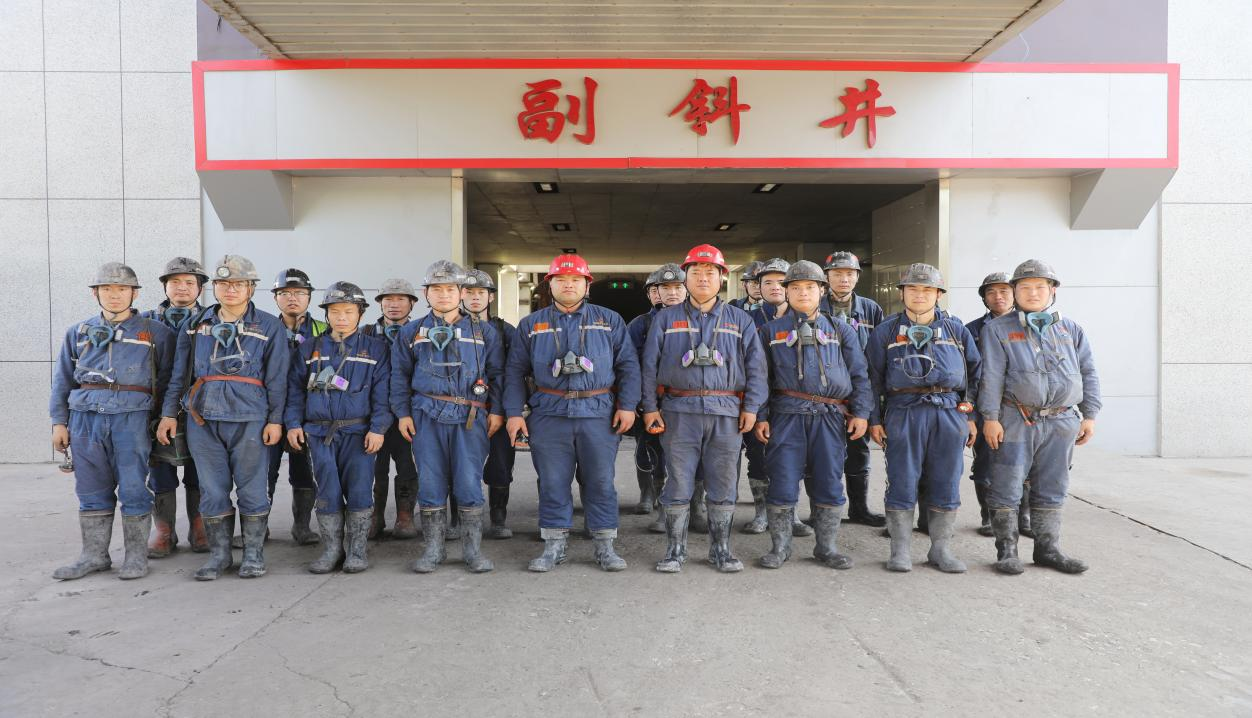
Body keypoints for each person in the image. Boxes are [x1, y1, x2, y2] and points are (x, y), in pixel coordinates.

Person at [157, 255, 289, 580]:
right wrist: (168, 414)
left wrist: (275, 420)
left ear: (251, 288)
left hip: (250, 419)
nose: (230, 289)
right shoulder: (195, 325)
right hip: (203, 420)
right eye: (223, 284)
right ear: (214, 287)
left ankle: (254, 554)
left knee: (252, 488)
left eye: (238, 284)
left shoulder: (269, 326)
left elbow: (278, 378)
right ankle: (219, 555)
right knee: (212, 489)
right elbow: (179, 375)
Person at [506, 254, 641, 572]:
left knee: (601, 481)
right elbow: (514, 371)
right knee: (552, 481)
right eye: (561, 280)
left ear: (587, 285)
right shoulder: (531, 325)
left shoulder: (609, 320)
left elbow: (628, 366)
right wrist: (513, 412)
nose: (568, 285)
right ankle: (554, 546)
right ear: (549, 285)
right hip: (548, 414)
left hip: (598, 413)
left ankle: (605, 546)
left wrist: (627, 406)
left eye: (576, 280)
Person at [640, 244, 769, 573]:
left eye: (710, 272)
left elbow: (756, 368)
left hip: (726, 411)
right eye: (695, 272)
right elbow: (649, 367)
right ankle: (675, 551)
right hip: (678, 411)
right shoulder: (666, 319)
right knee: (678, 482)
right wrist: (650, 408)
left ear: (722, 278)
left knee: (723, 483)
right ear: (686, 278)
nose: (702, 278)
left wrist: (752, 408)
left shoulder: (740, 320)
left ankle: (721, 550)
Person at [50, 263, 174, 581]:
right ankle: (94, 556)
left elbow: (169, 381)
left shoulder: (156, 333)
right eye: (106, 289)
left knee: (134, 488)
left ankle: (136, 557)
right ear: (96, 293)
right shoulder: (77, 333)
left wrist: (164, 417)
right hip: (84, 420)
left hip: (131, 419)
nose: (114, 295)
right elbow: (62, 380)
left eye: (122, 289)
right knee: (90, 489)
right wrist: (58, 422)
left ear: (134, 294)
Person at [979, 259, 1100, 575]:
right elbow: (991, 375)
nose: (1033, 293)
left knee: (1053, 484)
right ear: (1015, 291)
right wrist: (990, 417)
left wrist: (1089, 414)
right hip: (1016, 418)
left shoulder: (1071, 330)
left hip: (1062, 421)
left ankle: (1048, 549)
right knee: (1007, 482)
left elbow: (1088, 371)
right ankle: (1007, 551)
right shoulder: (997, 329)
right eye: (1025, 287)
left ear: (1052, 291)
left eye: (1039, 287)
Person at [753, 261, 872, 569]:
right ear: (786, 292)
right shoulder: (769, 331)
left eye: (809, 287)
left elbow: (859, 374)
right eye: (795, 287)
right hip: (786, 415)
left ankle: (826, 547)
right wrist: (761, 416)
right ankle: (780, 548)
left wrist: (860, 412)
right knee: (782, 479)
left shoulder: (841, 330)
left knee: (829, 480)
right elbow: (760, 378)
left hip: (830, 416)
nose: (802, 293)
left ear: (822, 291)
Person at [391, 261, 505, 574]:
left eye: (450, 289)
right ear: (425, 294)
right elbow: (399, 376)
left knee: (468, 482)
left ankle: (472, 552)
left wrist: (497, 411)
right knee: (430, 482)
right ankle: (433, 550)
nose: (444, 295)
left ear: (461, 293)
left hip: (470, 416)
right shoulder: (411, 332)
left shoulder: (484, 332)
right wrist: (402, 413)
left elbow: (498, 374)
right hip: (426, 415)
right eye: (437, 289)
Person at [866, 263, 980, 574]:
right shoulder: (885, 331)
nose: (919, 295)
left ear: (938, 294)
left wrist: (970, 415)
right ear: (902, 293)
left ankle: (940, 550)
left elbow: (975, 374)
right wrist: (875, 420)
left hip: (948, 412)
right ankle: (900, 550)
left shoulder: (956, 331)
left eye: (927, 290)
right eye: (913, 289)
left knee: (946, 479)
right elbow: (872, 379)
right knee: (902, 479)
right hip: (903, 411)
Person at [286, 282, 391, 574]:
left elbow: (383, 394)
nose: (341, 317)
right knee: (327, 490)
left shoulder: (377, 349)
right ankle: (332, 550)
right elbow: (294, 391)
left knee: (360, 489)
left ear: (360, 314)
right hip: (319, 434)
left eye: (348, 311)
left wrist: (378, 428)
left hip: (360, 433)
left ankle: (357, 551)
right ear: (327, 314)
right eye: (335, 311)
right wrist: (293, 424)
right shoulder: (309, 349)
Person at [143, 257, 209, 557]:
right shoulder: (146, 323)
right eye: (175, 282)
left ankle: (199, 527)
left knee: (201, 468)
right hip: (156, 408)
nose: (182, 288)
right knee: (160, 469)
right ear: (164, 286)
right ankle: (164, 531)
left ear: (200, 288)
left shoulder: (211, 320)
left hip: (199, 407)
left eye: (189, 282)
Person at [741, 258, 811, 537]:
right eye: (767, 282)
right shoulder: (744, 317)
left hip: (792, 400)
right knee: (757, 456)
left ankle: (789, 513)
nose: (774, 287)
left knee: (792, 459)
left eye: (780, 282)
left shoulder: (807, 316)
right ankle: (761, 512)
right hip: (755, 398)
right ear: (757, 286)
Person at [820, 251, 887, 528]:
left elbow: (880, 352)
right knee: (822, 452)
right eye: (837, 273)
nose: (844, 279)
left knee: (858, 450)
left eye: (849, 273)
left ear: (858, 277)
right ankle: (821, 510)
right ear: (827, 277)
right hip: (825, 392)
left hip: (859, 390)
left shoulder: (871, 309)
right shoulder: (814, 305)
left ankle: (859, 509)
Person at [265, 268, 326, 546]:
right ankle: (259, 527)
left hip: (307, 412)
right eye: (285, 293)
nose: (292, 298)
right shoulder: (266, 328)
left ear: (309, 297)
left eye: (300, 293)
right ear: (275, 297)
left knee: (304, 471)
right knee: (265, 471)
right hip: (269, 412)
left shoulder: (323, 330)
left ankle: (301, 526)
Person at [626, 263, 687, 533]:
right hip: (650, 399)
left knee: (681, 455)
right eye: (663, 288)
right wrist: (636, 401)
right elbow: (629, 365)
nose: (671, 293)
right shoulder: (640, 324)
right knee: (649, 450)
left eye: (678, 287)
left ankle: (685, 504)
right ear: (653, 293)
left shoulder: (697, 319)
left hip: (683, 399)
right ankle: (649, 493)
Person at [360, 277, 421, 540]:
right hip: (373, 413)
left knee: (407, 465)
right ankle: (375, 516)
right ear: (380, 304)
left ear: (412, 304)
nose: (394, 304)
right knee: (375, 466)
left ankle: (405, 516)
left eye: (400, 299)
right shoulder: (365, 333)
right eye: (388, 299)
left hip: (407, 413)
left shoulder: (420, 332)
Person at [462, 268, 520, 540]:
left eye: (481, 292)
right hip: (462, 409)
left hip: (498, 408)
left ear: (491, 297)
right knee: (460, 465)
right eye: (469, 292)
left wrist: (502, 411)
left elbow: (514, 373)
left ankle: (498, 518)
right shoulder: (452, 329)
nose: (475, 298)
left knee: (500, 464)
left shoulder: (506, 331)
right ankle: (459, 518)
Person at [964, 271, 1021, 537]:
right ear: (984, 298)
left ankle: (1023, 518)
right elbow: (966, 375)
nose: (998, 296)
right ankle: (988, 516)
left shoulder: (1028, 325)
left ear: (1014, 294)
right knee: (985, 463)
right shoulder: (972, 330)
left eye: (1004, 291)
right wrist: (969, 415)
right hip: (983, 407)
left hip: (1019, 408)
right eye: (991, 292)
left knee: (1023, 464)